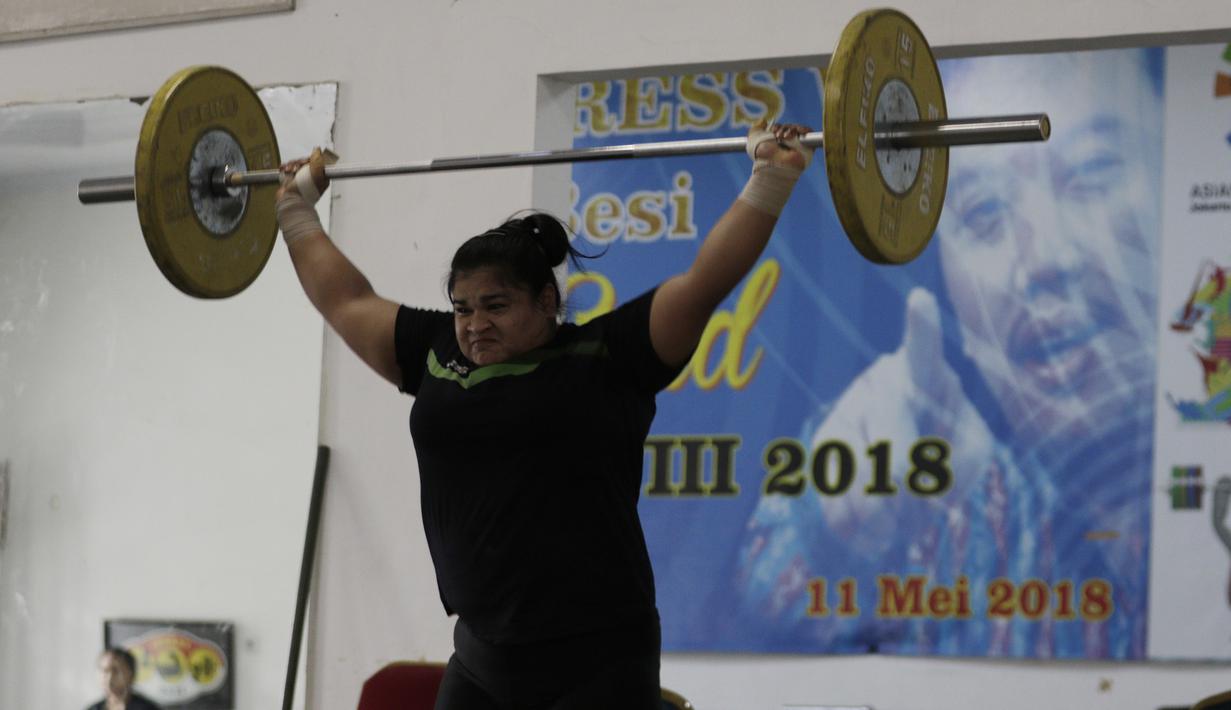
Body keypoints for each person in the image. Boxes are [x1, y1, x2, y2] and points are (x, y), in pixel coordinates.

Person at [275, 121, 814, 708]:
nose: (475, 325)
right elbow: (345, 299)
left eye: (496, 306)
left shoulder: (608, 356)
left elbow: (704, 282)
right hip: (481, 655)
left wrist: (771, 177)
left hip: (597, 660)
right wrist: (295, 211)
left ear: (548, 301)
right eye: (463, 308)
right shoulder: (435, 351)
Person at [735, 48, 1162, 658]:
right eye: (984, 213)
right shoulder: (943, 487)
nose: (1044, 259)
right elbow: (767, 588)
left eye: (1092, 173)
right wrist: (831, 529)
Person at [86, 647, 161, 710]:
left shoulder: (148, 708)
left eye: (115, 670)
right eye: (104, 670)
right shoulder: (93, 708)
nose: (109, 677)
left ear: (131, 673)